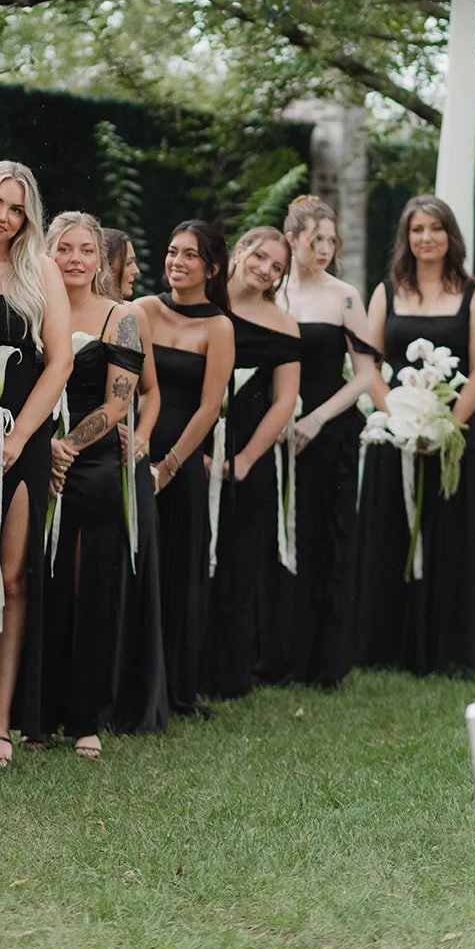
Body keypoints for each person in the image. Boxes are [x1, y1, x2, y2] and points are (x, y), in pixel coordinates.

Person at [0, 160, 72, 767]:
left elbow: (60, 363)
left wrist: (19, 438)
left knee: (12, 576)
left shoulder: (41, 270)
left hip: (20, 441)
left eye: (17, 209)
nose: (2, 215)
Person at [356, 195, 475, 675]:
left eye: (435, 229)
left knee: (454, 540)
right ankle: (387, 647)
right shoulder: (387, 291)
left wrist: (443, 426)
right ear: (406, 238)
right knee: (393, 536)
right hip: (395, 433)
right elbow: (369, 363)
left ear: (450, 235)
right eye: (417, 229)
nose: (426, 238)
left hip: (457, 434)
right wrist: (401, 420)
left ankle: (454, 649)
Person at [39, 213, 144, 757]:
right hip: (32, 452)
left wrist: (67, 447)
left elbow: (118, 403)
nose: (75, 259)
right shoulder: (31, 308)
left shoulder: (120, 318)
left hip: (93, 463)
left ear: (100, 259)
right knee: (36, 580)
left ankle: (85, 718)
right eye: (64, 248)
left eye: (86, 250)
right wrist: (43, 446)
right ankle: (36, 713)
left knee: (90, 585)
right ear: (47, 253)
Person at [278, 197, 377, 689]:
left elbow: (365, 375)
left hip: (329, 428)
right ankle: (277, 654)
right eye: (315, 239)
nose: (324, 249)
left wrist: (316, 419)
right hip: (273, 428)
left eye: (331, 241)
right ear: (291, 239)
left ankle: (325, 658)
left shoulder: (345, 297)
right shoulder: (271, 292)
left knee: (325, 537)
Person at [200, 226, 301, 698]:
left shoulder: (284, 325)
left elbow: (284, 402)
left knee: (239, 565)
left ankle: (227, 675)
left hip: (249, 457)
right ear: (239, 251)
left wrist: (242, 461)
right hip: (193, 449)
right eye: (259, 257)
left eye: (276, 267)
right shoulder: (201, 299)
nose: (265, 270)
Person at [138, 221, 235, 716]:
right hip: (134, 450)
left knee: (179, 574)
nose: (177, 262)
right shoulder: (142, 310)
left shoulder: (219, 327)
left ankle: (175, 688)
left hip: (182, 460)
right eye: (173, 251)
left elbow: (209, 408)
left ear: (212, 268)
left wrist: (170, 466)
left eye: (190, 255)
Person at [100, 228, 168, 735]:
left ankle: (128, 696)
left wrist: (141, 437)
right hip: (75, 456)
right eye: (130, 261)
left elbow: (152, 392)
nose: (138, 271)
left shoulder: (132, 316)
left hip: (124, 460)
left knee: (131, 567)